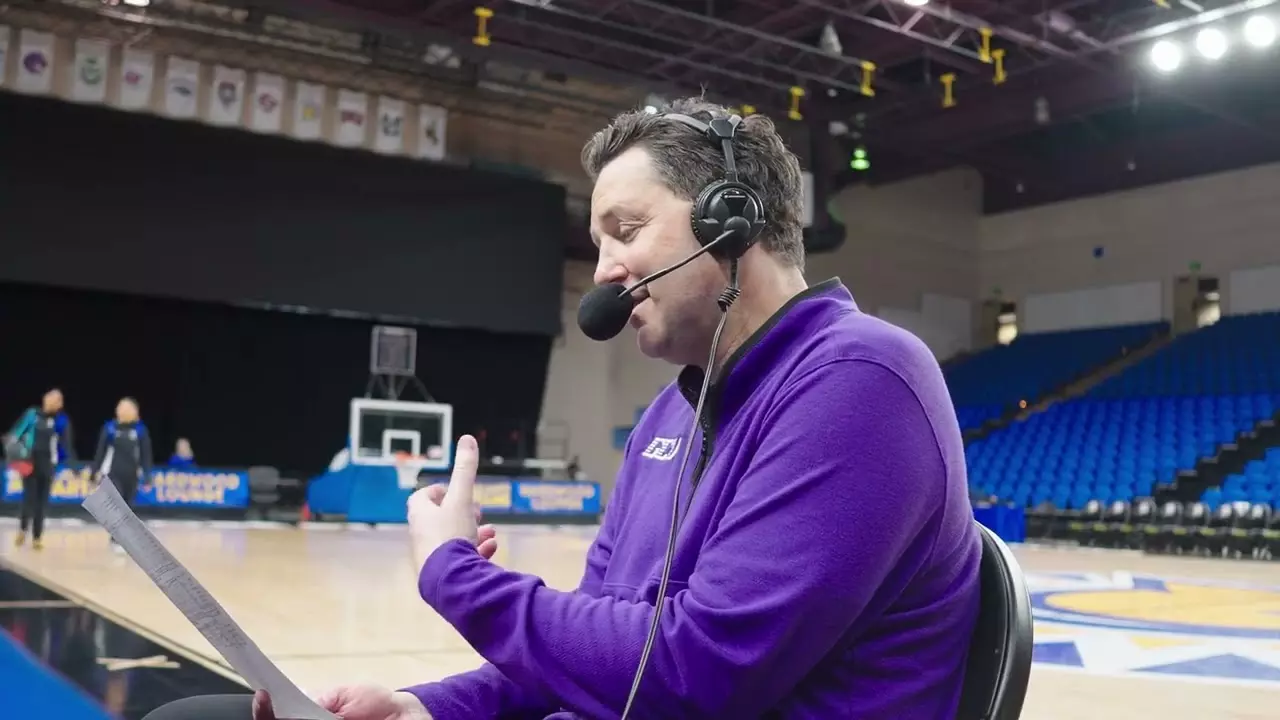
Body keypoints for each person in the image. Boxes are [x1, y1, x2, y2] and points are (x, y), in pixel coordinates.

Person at [150, 98, 982, 720]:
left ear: (732, 221)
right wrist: (428, 710)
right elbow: (600, 650)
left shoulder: (862, 380)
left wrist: (456, 578)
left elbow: (697, 673)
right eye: (597, 242)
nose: (605, 269)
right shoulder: (668, 418)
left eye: (626, 229)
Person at [6, 389, 75, 550]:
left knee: (42, 502)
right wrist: (16, 456)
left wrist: (71, 466)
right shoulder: (32, 414)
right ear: (45, 399)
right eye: (52, 398)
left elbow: (66, 444)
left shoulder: (61, 421)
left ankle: (37, 536)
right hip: (29, 462)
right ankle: (23, 529)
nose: (55, 402)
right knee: (28, 498)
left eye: (58, 400)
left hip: (48, 464)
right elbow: (16, 434)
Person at [90, 397, 154, 553]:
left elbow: (146, 455)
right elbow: (100, 451)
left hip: (132, 475)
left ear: (135, 412)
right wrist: (93, 472)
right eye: (121, 408)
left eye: (128, 408)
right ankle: (115, 538)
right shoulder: (110, 428)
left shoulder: (140, 430)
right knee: (117, 506)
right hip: (112, 474)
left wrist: (147, 476)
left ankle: (123, 538)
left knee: (128, 507)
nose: (123, 411)